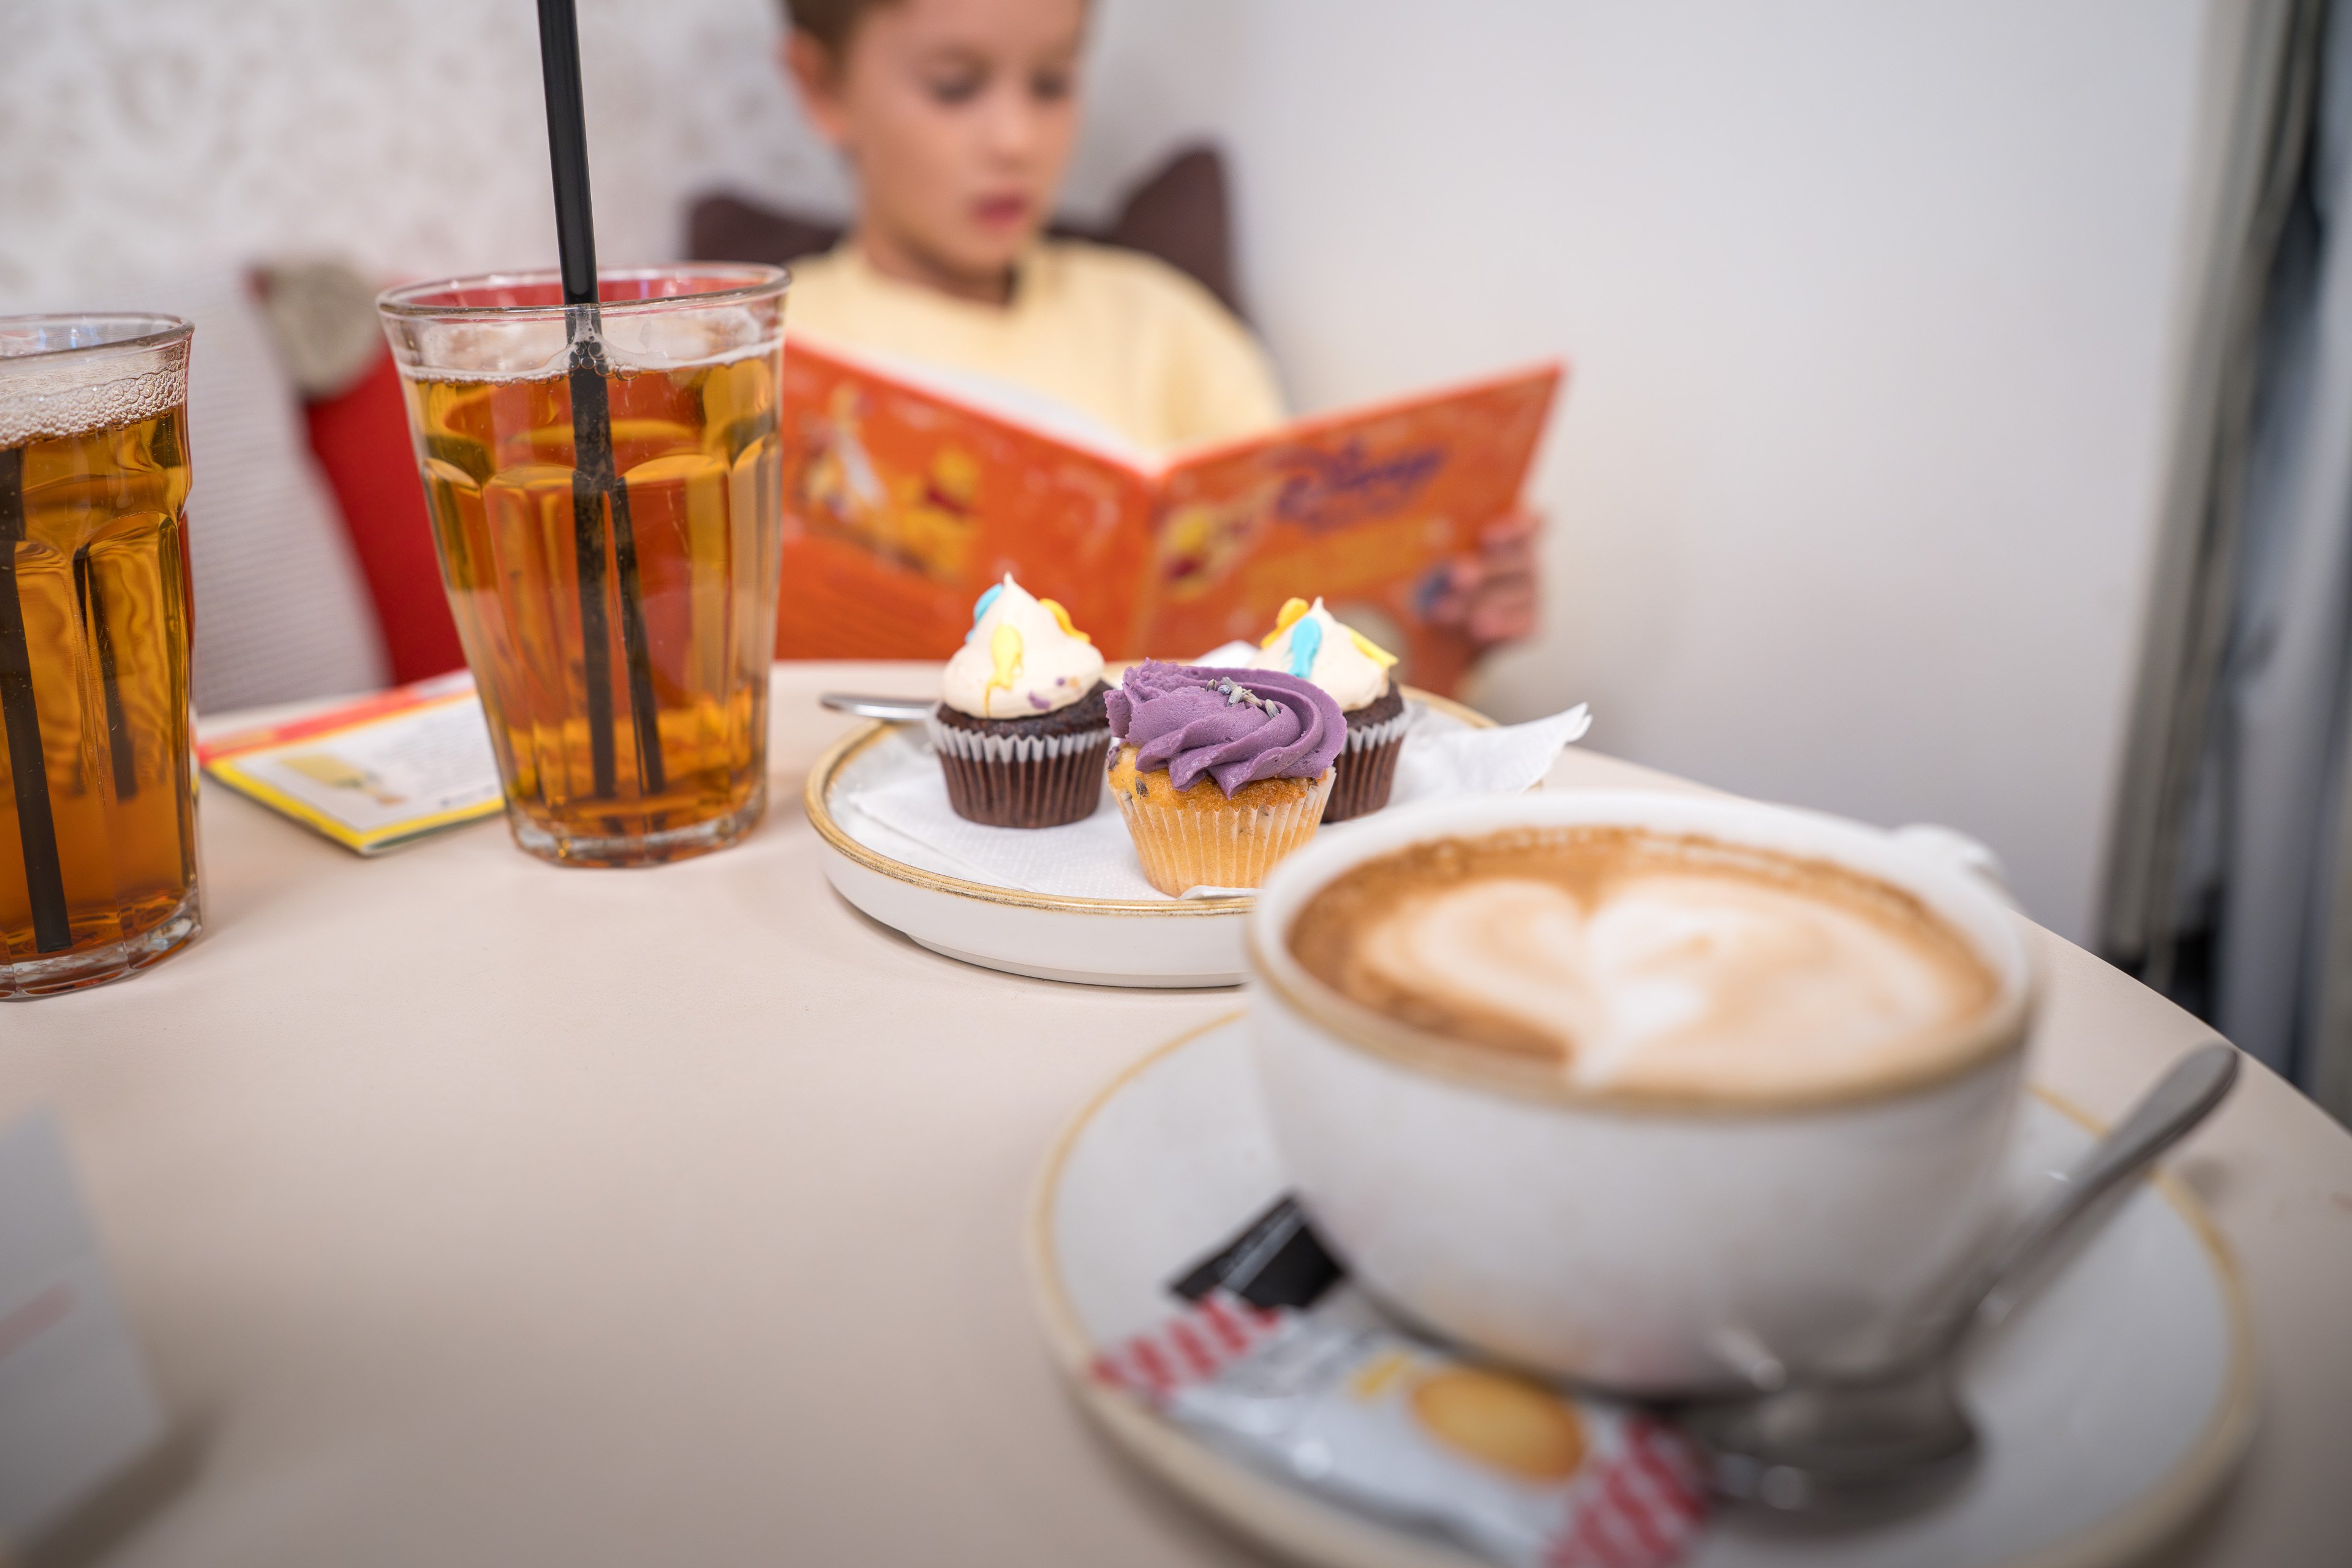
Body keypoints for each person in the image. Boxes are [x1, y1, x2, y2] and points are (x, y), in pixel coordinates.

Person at [777, 0, 1537, 661]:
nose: (1015, 140)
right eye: (955, 87)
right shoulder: (772, 350)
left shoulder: (1168, 326)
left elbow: (1298, 627)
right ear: (821, 88)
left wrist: (1443, 628)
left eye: (1051, 84)